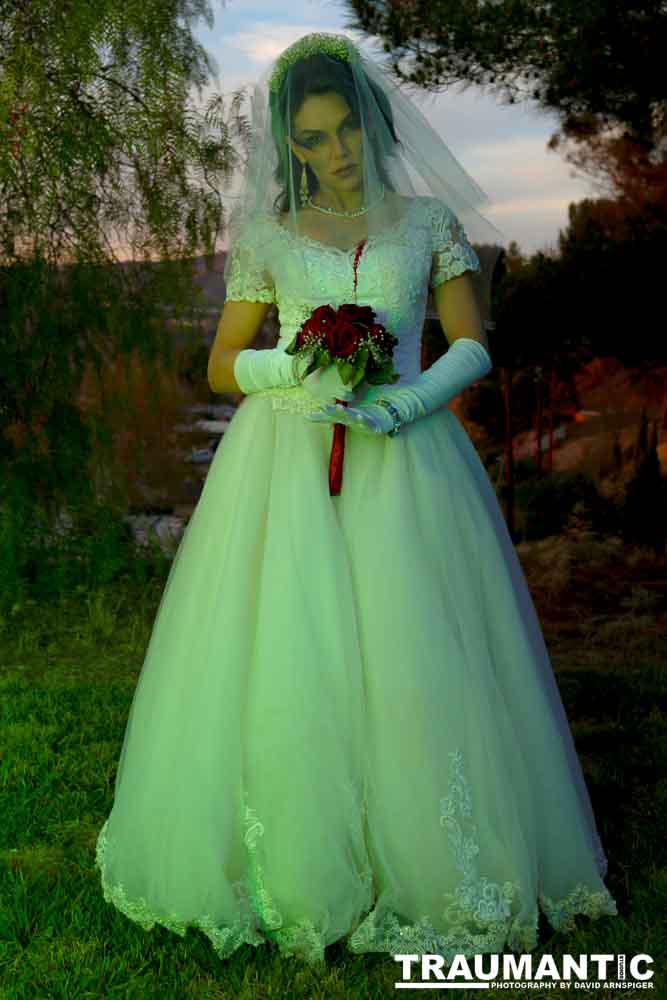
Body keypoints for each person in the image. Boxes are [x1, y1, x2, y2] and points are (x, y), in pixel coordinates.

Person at [94, 32, 618, 968]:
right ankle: (299, 862)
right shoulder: (267, 239)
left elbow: (469, 341)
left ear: (372, 124)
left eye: (345, 132)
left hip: (409, 461)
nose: (333, 153)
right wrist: (297, 369)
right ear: (289, 145)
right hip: (283, 465)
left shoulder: (426, 226)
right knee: (290, 650)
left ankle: (424, 859)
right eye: (312, 138)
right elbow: (221, 364)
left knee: (413, 646)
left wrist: (405, 399)